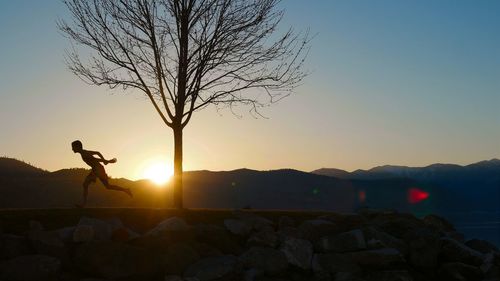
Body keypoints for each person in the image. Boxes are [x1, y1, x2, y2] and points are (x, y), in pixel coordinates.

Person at [71, 140, 132, 207]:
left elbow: (96, 159)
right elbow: (97, 153)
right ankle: (125, 190)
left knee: (85, 184)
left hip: (97, 170)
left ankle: (84, 204)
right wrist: (105, 161)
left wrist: (106, 161)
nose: (72, 149)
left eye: (73, 147)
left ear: (77, 147)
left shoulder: (84, 154)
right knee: (108, 186)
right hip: (99, 169)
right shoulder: (85, 152)